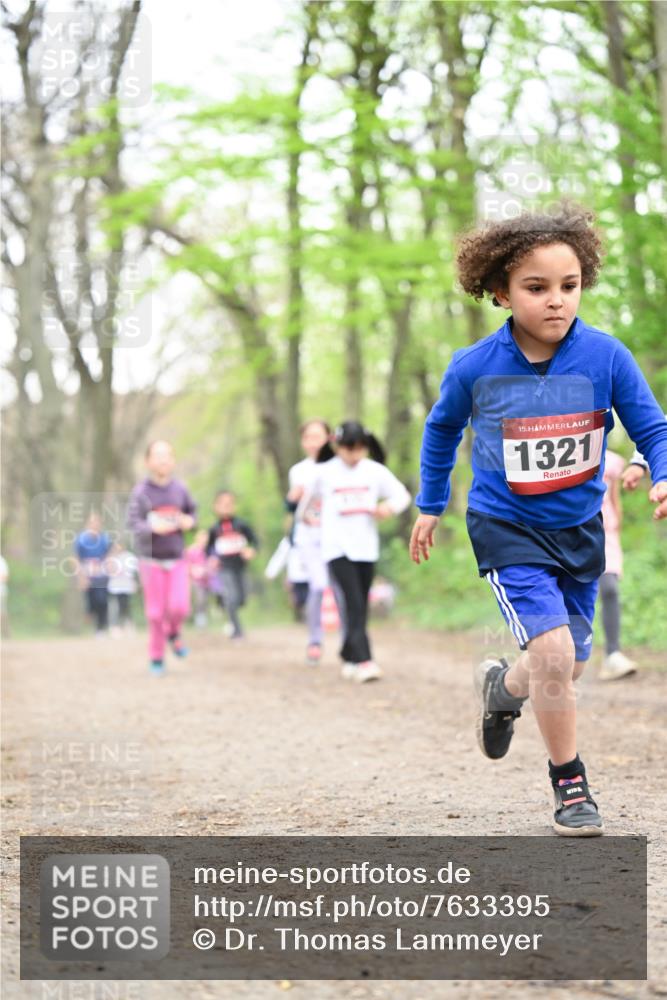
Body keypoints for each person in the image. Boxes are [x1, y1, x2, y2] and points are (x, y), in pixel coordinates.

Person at [410, 204, 667, 836]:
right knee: (554, 653)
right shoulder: (475, 367)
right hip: (506, 526)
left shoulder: (605, 357)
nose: (557, 301)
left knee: (566, 665)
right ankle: (571, 784)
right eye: (537, 288)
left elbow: (653, 427)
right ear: (500, 292)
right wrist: (429, 502)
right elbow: (441, 430)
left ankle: (504, 689)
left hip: (579, 528)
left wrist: (662, 471)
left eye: (569, 285)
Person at [297, 421, 411, 683]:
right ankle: (364, 660)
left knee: (359, 603)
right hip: (336, 548)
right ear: (337, 446)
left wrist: (387, 509)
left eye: (359, 449)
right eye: (349, 449)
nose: (354, 454)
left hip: (366, 548)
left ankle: (348, 653)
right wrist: (311, 519)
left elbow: (401, 496)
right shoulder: (323, 472)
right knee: (354, 602)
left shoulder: (374, 471)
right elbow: (306, 506)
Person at [127, 440, 197, 674]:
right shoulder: (141, 492)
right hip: (150, 560)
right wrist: (151, 528)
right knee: (155, 613)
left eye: (167, 455)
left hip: (176, 558)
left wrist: (189, 521)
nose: (163, 460)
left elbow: (192, 513)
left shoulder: (180, 489)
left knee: (179, 608)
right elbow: (133, 523)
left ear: (173, 461)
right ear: (148, 462)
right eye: (157, 455)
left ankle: (174, 632)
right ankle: (156, 656)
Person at [286, 419, 333, 663]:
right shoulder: (298, 470)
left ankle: (351, 641)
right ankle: (315, 640)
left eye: (319, 436)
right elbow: (292, 507)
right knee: (318, 584)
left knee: (341, 588)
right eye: (308, 437)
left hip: (336, 536)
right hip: (308, 537)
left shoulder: (338, 466)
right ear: (302, 441)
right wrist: (292, 499)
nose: (314, 442)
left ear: (330, 438)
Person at [597, 450, 637, 681]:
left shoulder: (611, 461)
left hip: (606, 534)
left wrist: (617, 528)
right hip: (574, 532)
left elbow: (613, 498)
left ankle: (613, 654)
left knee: (610, 589)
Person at [206, 491, 258, 640]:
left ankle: (228, 609)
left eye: (229, 504)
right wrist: (211, 558)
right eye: (222, 504)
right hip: (224, 568)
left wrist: (252, 550)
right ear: (216, 507)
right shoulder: (214, 529)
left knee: (241, 598)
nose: (226, 507)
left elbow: (255, 541)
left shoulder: (241, 525)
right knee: (232, 596)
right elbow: (208, 550)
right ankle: (237, 630)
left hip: (241, 566)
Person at [74, 511, 112, 635]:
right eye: (92, 523)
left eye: (97, 522)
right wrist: (80, 576)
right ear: (87, 524)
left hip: (101, 573)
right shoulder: (81, 539)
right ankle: (90, 615)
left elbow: (109, 554)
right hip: (87, 573)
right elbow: (76, 557)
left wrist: (108, 565)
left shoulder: (105, 538)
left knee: (102, 599)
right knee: (92, 601)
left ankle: (100, 628)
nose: (95, 525)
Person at [106, 542, 139, 634]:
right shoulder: (110, 557)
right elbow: (108, 570)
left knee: (125, 605)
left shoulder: (129, 556)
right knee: (114, 606)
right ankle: (115, 626)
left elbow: (133, 571)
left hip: (126, 585)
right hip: (114, 586)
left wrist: (134, 583)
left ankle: (128, 624)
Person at [186, 530, 211, 628]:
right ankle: (198, 622)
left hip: (206, 580)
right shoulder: (192, 550)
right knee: (199, 600)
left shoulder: (207, 550)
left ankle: (201, 621)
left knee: (204, 600)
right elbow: (186, 564)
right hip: (195, 580)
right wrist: (193, 570)